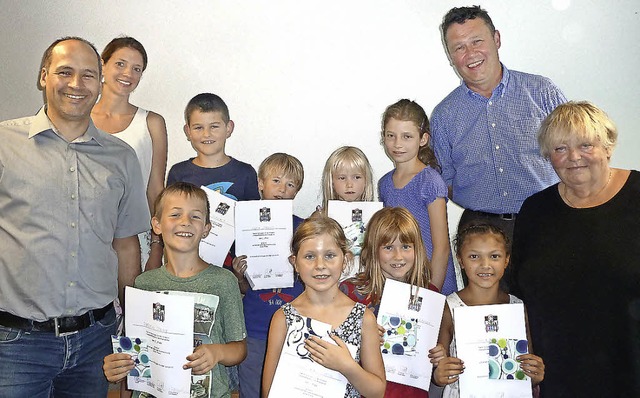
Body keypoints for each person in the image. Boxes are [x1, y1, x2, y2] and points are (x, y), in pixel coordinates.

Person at [0, 37, 149, 397]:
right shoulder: (4, 143)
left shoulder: (122, 156)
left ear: (100, 83)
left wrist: (133, 326)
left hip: (95, 342)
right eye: (64, 72)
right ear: (43, 76)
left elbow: (126, 245)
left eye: (88, 75)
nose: (76, 84)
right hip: (16, 344)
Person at [510, 101, 640, 397]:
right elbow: (521, 298)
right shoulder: (535, 210)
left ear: (608, 147)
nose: (573, 157)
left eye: (585, 145)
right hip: (559, 376)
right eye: (560, 149)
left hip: (629, 371)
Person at [430, 5, 567, 244]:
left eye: (477, 41)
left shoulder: (542, 92)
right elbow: (446, 181)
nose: (470, 54)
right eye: (459, 48)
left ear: (496, 39)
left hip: (548, 221)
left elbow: (572, 153)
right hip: (479, 233)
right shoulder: (444, 116)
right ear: (450, 55)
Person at [103, 182, 247, 398]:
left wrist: (218, 352)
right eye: (175, 214)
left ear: (206, 229)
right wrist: (118, 365)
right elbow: (133, 354)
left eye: (195, 216)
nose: (185, 222)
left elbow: (240, 348)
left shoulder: (224, 281)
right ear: (157, 225)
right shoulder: (144, 284)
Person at [262, 214, 387, 398]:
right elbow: (269, 391)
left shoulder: (363, 318)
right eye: (310, 256)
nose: (320, 265)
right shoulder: (283, 318)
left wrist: (346, 365)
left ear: (345, 261)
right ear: (295, 263)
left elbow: (377, 392)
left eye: (329, 256)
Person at [340, 207, 445, 397]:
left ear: (417, 249)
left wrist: (438, 356)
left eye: (406, 246)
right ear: (373, 249)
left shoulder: (431, 296)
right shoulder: (350, 293)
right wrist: (363, 338)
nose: (398, 256)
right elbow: (336, 351)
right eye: (388, 247)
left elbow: (433, 361)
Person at [433, 224, 544, 397]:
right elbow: (438, 366)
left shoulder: (517, 308)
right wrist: (440, 375)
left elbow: (526, 368)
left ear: (506, 260)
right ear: (461, 260)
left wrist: (534, 374)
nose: (485, 265)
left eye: (494, 256)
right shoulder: (449, 307)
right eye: (474, 256)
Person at [230, 153, 306, 398]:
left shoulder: (304, 229)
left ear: (297, 191)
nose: (282, 189)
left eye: (290, 184)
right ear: (260, 183)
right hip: (254, 328)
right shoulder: (243, 227)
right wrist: (239, 275)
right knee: (251, 390)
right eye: (276, 181)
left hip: (294, 329)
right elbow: (241, 289)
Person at [92, 36, 168, 271]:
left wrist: (157, 246)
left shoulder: (151, 122)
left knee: (135, 306)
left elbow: (155, 189)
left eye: (137, 69)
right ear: (103, 64)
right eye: (120, 64)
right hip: (86, 233)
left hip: (136, 236)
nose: (128, 73)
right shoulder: (79, 118)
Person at [379, 99, 456, 295]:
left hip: (432, 282)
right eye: (391, 136)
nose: (397, 144)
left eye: (407, 136)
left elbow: (442, 248)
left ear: (422, 139)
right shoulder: (385, 184)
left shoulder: (430, 181)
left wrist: (431, 291)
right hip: (401, 279)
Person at [167, 93, 259, 202]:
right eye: (198, 127)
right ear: (188, 132)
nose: (206, 134)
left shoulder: (246, 173)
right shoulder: (178, 173)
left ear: (228, 128)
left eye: (214, 126)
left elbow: (253, 216)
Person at [320, 146, 377, 280]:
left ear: (366, 181)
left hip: (368, 281)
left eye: (357, 177)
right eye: (342, 178)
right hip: (332, 283)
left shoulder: (378, 217)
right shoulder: (321, 217)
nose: (349, 184)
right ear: (332, 181)